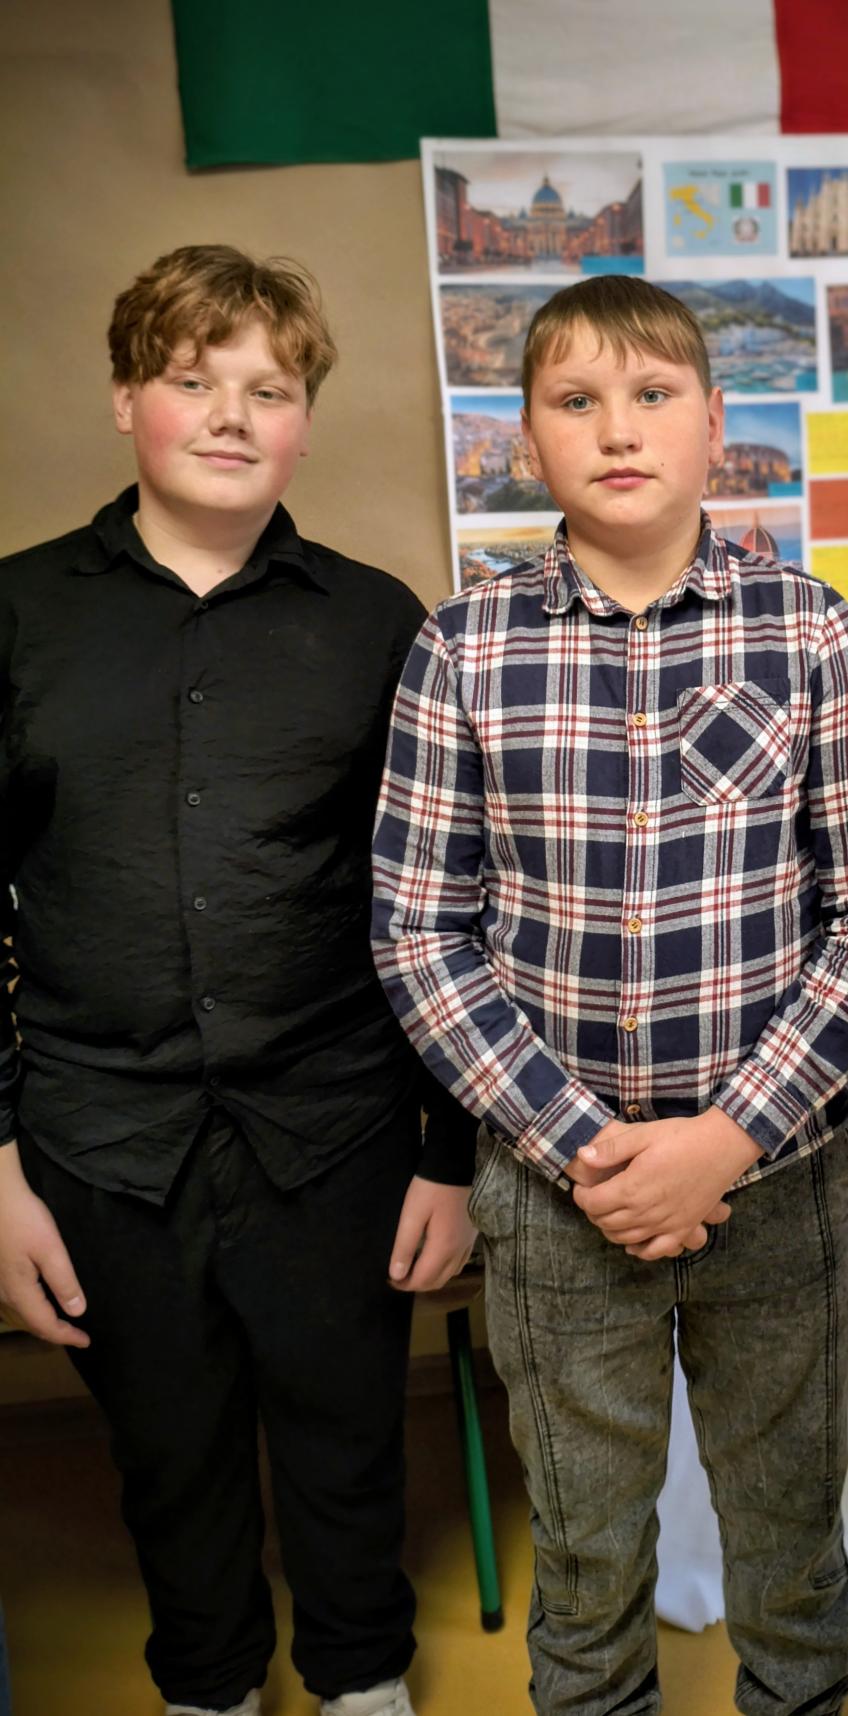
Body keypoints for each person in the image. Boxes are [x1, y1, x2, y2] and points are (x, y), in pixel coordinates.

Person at [371, 274, 848, 1716]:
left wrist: (724, 1139)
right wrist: (590, 1151)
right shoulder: (462, 647)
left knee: (789, 1530)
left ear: (715, 424)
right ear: (526, 440)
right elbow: (421, 933)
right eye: (577, 401)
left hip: (778, 1185)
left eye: (653, 395)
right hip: (561, 1203)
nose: (618, 429)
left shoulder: (812, 635)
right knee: (585, 1539)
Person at [0, 246, 478, 1716]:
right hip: (99, 1138)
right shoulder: (18, 615)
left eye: (268, 390)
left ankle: (361, 1677)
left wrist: (448, 1155)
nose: (229, 415)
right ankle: (208, 1685)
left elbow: (440, 905)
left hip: (334, 1127)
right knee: (167, 1449)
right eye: (191, 381)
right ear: (124, 399)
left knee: (348, 1436)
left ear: (305, 424)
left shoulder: (379, 622)